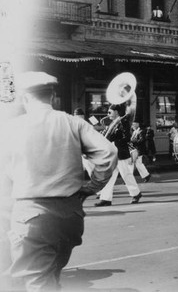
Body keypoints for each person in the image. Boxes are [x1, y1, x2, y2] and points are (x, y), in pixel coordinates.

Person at [0, 72, 117, 291]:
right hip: (70, 216)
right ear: (53, 97)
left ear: (24, 98)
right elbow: (108, 153)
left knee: (38, 280)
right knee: (52, 273)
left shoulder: (10, 128)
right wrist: (91, 187)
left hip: (30, 215)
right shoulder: (73, 123)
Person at [95, 103, 142, 206]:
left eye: (109, 112)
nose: (108, 114)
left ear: (116, 112)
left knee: (126, 174)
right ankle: (106, 199)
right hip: (113, 153)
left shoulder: (123, 122)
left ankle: (136, 194)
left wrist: (114, 139)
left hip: (121, 153)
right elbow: (109, 136)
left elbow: (127, 137)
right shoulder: (113, 123)